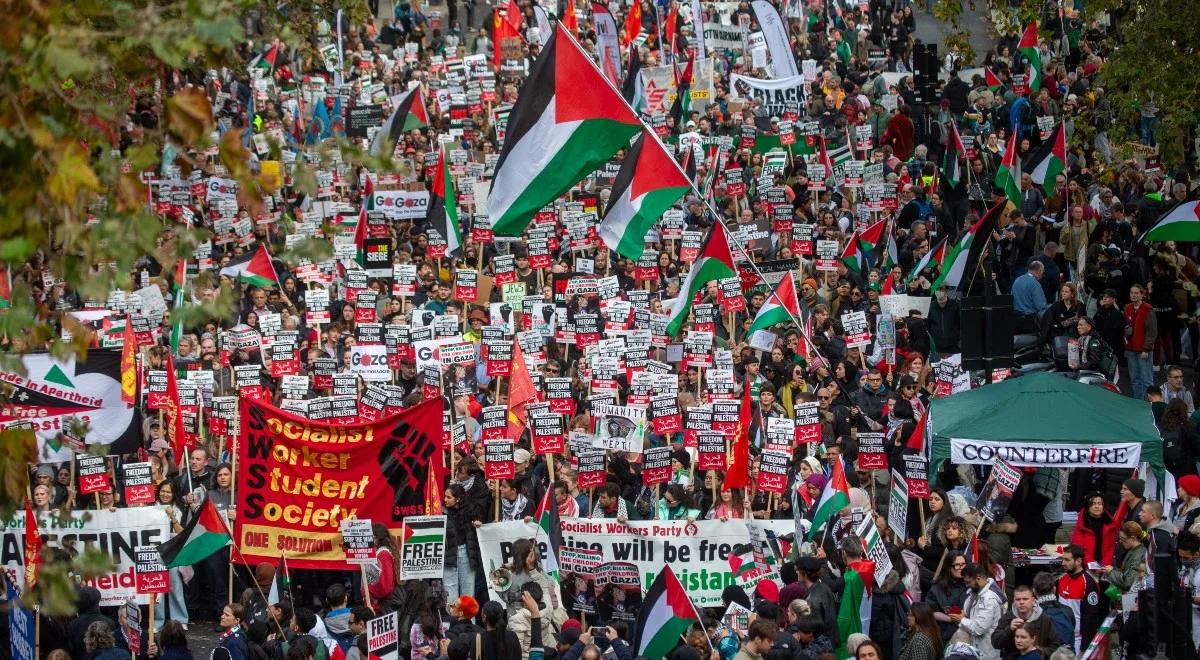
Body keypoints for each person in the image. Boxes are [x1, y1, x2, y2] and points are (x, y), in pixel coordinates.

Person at [991, 585, 1062, 658]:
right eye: (1018, 599)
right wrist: (1009, 630)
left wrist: (1039, 651)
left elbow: (1055, 647)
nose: (1021, 602)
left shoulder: (1044, 619)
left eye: (1025, 599)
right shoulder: (1007, 618)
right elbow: (995, 643)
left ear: (1033, 600)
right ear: (1014, 601)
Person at [1056, 545, 1102, 654]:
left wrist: (1084, 648)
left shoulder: (1088, 583)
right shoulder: (1062, 579)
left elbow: (1091, 618)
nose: (1063, 563)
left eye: (1067, 560)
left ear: (1078, 561)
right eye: (1062, 559)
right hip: (1061, 636)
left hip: (1078, 640)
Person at [955, 563, 1006, 660]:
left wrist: (962, 620)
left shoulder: (989, 599)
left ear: (978, 578)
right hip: (976, 650)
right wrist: (963, 616)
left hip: (987, 654)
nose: (967, 585)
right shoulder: (974, 594)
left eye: (968, 582)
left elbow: (979, 629)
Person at [1124, 283, 1157, 401]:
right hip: (1131, 349)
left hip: (1143, 350)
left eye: (1136, 293)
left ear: (1142, 294)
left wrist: (1146, 349)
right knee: (1134, 379)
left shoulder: (1148, 309)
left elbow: (1152, 333)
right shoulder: (1127, 308)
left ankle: (1148, 405)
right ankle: (1137, 402)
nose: (1133, 295)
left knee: (1146, 380)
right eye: (1132, 293)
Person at [366, 522, 403, 612]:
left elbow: (385, 586)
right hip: (383, 602)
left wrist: (367, 590)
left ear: (376, 538)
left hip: (383, 604)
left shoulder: (383, 554)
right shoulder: (382, 552)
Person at [1012, 261, 1049, 333]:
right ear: (1039, 271)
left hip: (1015, 320)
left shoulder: (1017, 280)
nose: (1042, 274)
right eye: (1043, 272)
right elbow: (1041, 306)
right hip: (1029, 322)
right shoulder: (1035, 284)